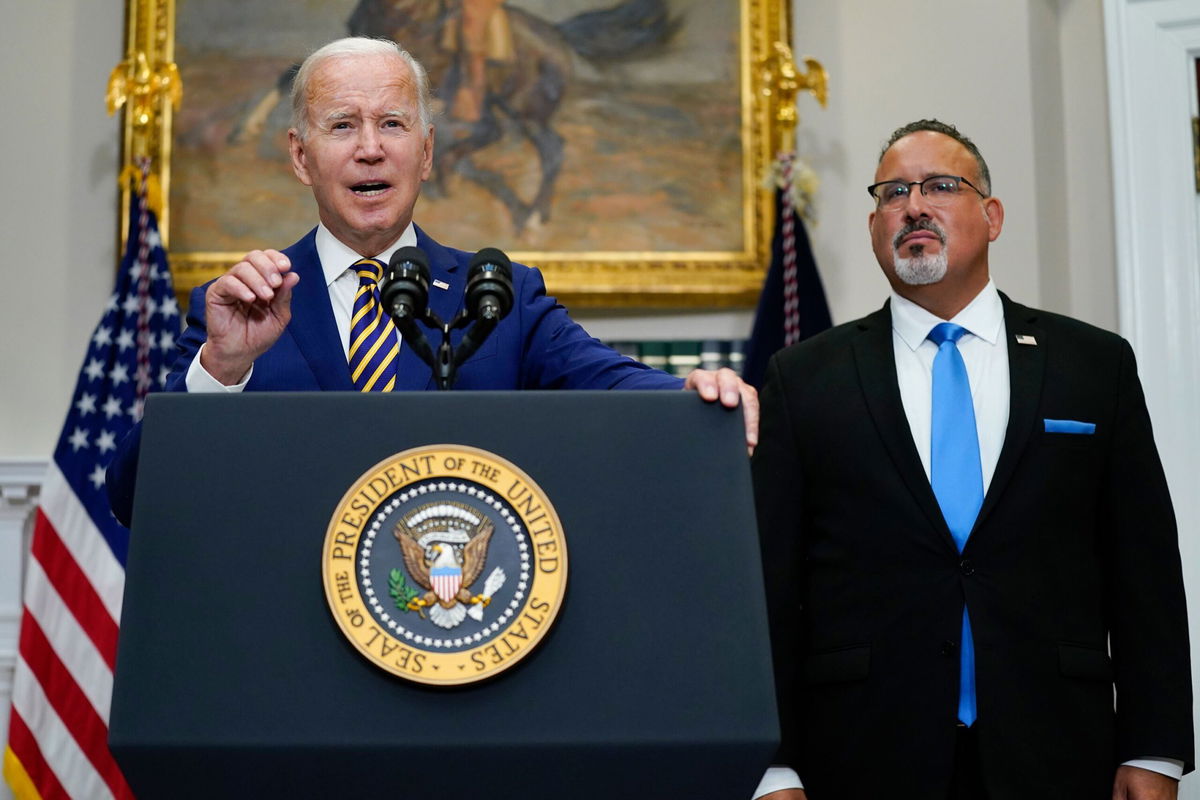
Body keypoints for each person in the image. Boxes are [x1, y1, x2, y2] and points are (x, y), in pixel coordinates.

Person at [105, 37, 756, 525]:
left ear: (427, 150)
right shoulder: (240, 309)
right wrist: (220, 367)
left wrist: (694, 392)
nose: (370, 148)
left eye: (392, 123)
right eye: (342, 125)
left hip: (459, 638)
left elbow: (613, 384)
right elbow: (135, 497)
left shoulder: (501, 296)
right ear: (301, 158)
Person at [750, 119, 1192, 800]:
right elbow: (770, 584)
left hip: (1056, 748)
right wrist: (772, 764)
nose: (914, 205)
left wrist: (1156, 749)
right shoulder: (804, 378)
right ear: (874, 226)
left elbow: (1144, 567)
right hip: (862, 754)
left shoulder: (1092, 365)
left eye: (939, 186)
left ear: (992, 217)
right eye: (893, 192)